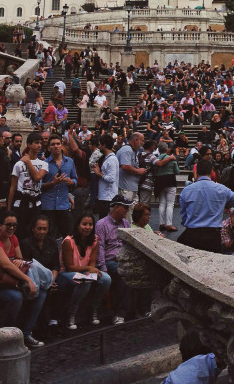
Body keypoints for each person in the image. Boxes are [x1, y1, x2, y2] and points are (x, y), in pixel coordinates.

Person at [0, 210, 47, 347]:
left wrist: (20, 262)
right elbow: (6, 265)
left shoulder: (13, 238)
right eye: (8, 225)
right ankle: (7, 338)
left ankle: (26, 334)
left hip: (6, 281)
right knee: (15, 297)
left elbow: (19, 260)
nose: (12, 228)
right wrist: (28, 280)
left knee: (41, 293)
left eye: (14, 225)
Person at [57, 212, 111, 330]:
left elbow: (92, 261)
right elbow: (69, 266)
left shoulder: (94, 240)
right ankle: (71, 314)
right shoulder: (68, 241)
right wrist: (88, 269)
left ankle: (94, 309)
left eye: (90, 224)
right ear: (77, 225)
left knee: (106, 279)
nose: (87, 227)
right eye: (84, 224)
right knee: (85, 282)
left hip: (84, 271)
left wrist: (91, 271)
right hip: (67, 273)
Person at [178, 160, 234, 253]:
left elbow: (183, 214)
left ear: (196, 172)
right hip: (213, 235)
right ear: (211, 171)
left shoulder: (187, 190)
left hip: (192, 233)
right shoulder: (221, 189)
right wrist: (224, 204)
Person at [95, 195, 131, 325]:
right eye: (125, 207)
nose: (127, 210)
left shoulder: (126, 223)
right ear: (116, 207)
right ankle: (119, 313)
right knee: (122, 274)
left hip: (125, 259)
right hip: (110, 260)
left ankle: (142, 308)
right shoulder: (102, 224)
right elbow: (100, 247)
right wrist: (103, 267)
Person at [20, 215, 61, 327]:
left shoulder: (51, 243)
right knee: (43, 292)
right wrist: (47, 282)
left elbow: (56, 264)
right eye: (39, 228)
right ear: (33, 228)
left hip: (49, 277)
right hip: (35, 278)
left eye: (45, 229)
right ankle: (40, 325)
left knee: (62, 285)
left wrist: (52, 279)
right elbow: (28, 267)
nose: (42, 232)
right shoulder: (26, 244)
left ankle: (54, 321)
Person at [8, 132, 48, 238]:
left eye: (40, 143)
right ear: (29, 145)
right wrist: (9, 208)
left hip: (36, 202)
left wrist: (28, 162)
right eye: (36, 143)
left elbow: (38, 177)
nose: (39, 145)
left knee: (34, 232)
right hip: (21, 203)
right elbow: (13, 187)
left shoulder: (44, 164)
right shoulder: (19, 164)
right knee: (19, 232)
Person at [42, 134, 77, 238]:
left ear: (62, 146)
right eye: (53, 144)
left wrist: (71, 182)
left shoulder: (69, 162)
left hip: (63, 204)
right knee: (49, 236)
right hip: (48, 205)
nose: (56, 146)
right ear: (49, 147)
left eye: (58, 144)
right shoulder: (44, 163)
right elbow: (40, 186)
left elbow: (75, 179)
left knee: (68, 235)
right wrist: (53, 183)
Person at [116, 132, 146, 223]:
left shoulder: (132, 151)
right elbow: (125, 166)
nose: (143, 143)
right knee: (127, 214)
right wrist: (138, 171)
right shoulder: (127, 150)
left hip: (131, 188)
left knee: (133, 213)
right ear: (136, 140)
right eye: (142, 141)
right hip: (126, 188)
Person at [93, 133, 120, 218]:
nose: (99, 147)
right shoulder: (107, 158)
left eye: (100, 144)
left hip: (108, 198)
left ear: (104, 145)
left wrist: (99, 174)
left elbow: (111, 178)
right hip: (105, 196)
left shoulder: (111, 159)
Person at [154, 143, 179, 232]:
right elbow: (177, 171)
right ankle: (169, 224)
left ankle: (161, 223)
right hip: (170, 180)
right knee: (170, 204)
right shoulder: (172, 159)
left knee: (162, 203)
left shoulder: (156, 159)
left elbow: (155, 170)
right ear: (167, 149)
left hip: (160, 181)